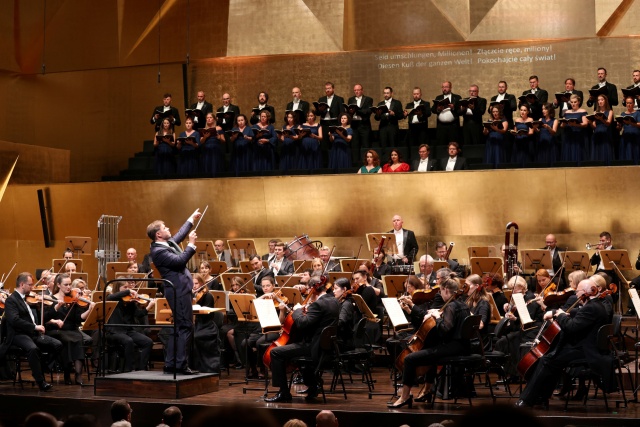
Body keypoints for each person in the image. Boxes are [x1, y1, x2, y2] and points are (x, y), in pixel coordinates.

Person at [516, 280, 611, 408]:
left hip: (586, 351)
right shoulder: (596, 305)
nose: (576, 294)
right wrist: (565, 313)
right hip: (587, 347)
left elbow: (571, 327)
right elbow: (579, 314)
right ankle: (541, 397)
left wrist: (559, 314)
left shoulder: (591, 308)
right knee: (552, 359)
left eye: (577, 291)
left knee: (547, 360)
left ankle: (527, 399)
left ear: (585, 292)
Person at [389, 277, 470, 408]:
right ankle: (427, 390)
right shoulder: (463, 304)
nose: (440, 294)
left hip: (453, 347)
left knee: (409, 359)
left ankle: (404, 397)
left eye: (441, 291)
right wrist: (438, 314)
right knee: (430, 348)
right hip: (462, 346)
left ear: (446, 290)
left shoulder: (450, 306)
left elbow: (444, 329)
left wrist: (437, 318)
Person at [264, 276, 340, 402]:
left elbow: (303, 323)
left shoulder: (318, 304)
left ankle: (284, 393)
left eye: (309, 289)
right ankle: (313, 385)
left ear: (312, 288)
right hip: (327, 346)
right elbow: (316, 320)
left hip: (313, 347)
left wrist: (298, 310)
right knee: (292, 349)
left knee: (275, 352)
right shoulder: (334, 301)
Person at [147, 208, 202, 374]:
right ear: (158, 234)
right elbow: (180, 261)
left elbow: (180, 235)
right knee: (185, 326)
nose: (168, 229)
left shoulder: (166, 243)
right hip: (177, 290)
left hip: (180, 289)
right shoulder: (158, 251)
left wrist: (191, 219)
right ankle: (181, 365)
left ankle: (171, 364)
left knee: (178, 327)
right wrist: (191, 244)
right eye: (165, 227)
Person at [0, 272, 62, 391]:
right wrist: (34, 327)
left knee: (57, 345)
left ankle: (41, 367)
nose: (32, 288)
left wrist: (55, 308)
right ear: (22, 284)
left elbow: (42, 318)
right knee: (33, 349)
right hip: (18, 334)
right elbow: (14, 320)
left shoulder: (28, 300)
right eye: (30, 285)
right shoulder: (11, 300)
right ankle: (40, 381)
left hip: (31, 334)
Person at [48, 273, 94, 385]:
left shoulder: (73, 299)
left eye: (70, 284)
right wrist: (56, 314)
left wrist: (89, 310)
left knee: (78, 339)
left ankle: (78, 374)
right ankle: (67, 373)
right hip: (57, 330)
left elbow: (79, 317)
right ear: (58, 285)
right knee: (68, 340)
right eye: (66, 284)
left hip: (72, 329)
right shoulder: (51, 299)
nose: (69, 287)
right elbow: (46, 317)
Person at [494, 276, 543, 380]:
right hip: (521, 330)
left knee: (510, 342)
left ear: (522, 287)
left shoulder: (530, 300)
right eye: (511, 289)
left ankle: (516, 374)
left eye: (514, 289)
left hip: (532, 330)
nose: (512, 292)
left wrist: (515, 318)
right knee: (502, 342)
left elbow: (528, 321)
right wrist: (509, 308)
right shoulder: (518, 298)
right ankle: (507, 372)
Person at [105, 279, 154, 372]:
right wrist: (129, 291)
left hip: (128, 330)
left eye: (128, 287)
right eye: (125, 287)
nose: (128, 290)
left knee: (148, 342)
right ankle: (129, 369)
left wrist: (149, 307)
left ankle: (141, 369)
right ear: (117, 288)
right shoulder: (112, 299)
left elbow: (138, 314)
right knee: (128, 341)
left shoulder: (130, 302)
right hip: (114, 331)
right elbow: (111, 296)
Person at [191, 273, 221, 374]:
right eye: (193, 283)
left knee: (196, 337)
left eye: (196, 283)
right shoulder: (192, 295)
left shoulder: (208, 296)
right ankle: (193, 366)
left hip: (207, 326)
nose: (194, 286)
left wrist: (196, 307)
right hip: (197, 325)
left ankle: (206, 368)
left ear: (202, 284)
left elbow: (207, 315)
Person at [317, 82, 345, 167]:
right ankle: (325, 164)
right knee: (324, 145)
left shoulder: (339, 99)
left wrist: (340, 126)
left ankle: (334, 163)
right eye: (326, 89)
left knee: (333, 143)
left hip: (334, 124)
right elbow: (318, 113)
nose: (327, 90)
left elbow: (341, 113)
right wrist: (320, 110)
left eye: (329, 88)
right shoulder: (321, 99)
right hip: (324, 124)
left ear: (333, 89)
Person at [346, 84, 374, 164]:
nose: (356, 92)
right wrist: (350, 112)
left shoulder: (368, 99)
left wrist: (356, 111)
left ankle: (366, 163)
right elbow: (349, 111)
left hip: (364, 125)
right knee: (355, 145)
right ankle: (355, 163)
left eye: (358, 90)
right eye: (355, 90)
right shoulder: (351, 99)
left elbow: (368, 111)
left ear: (362, 90)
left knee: (366, 145)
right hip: (354, 125)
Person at [560, 94, 589, 163]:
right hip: (568, 136)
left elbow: (585, 124)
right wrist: (564, 123)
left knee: (578, 154)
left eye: (575, 102)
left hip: (578, 135)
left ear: (578, 102)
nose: (573, 104)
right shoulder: (567, 112)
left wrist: (576, 125)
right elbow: (561, 126)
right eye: (572, 102)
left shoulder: (583, 111)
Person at [431, 81, 461, 147]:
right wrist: (438, 109)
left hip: (453, 126)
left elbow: (460, 112)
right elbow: (433, 110)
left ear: (450, 88)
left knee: (454, 145)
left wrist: (453, 108)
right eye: (443, 87)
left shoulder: (457, 97)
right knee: (441, 146)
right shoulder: (438, 98)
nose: (444, 89)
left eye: (446, 87)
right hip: (441, 127)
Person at [589, 94, 614, 164]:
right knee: (597, 153)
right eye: (598, 100)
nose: (600, 101)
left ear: (605, 101)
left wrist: (601, 119)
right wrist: (590, 122)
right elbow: (594, 126)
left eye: (602, 100)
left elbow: (608, 123)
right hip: (597, 133)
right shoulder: (595, 112)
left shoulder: (610, 111)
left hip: (605, 134)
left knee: (605, 152)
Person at [199, 112, 225, 177]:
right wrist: (205, 137)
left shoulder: (218, 128)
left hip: (216, 149)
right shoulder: (204, 130)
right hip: (207, 150)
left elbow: (223, 140)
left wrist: (219, 138)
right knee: (207, 165)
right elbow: (201, 142)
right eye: (207, 118)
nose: (209, 119)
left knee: (216, 165)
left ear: (214, 119)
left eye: (210, 117)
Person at [618, 95, 640, 164]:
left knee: (635, 154)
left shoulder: (637, 113)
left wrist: (630, 123)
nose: (628, 105)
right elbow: (620, 128)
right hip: (626, 136)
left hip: (635, 136)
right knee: (626, 154)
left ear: (633, 104)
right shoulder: (623, 114)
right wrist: (618, 126)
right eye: (627, 103)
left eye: (630, 103)